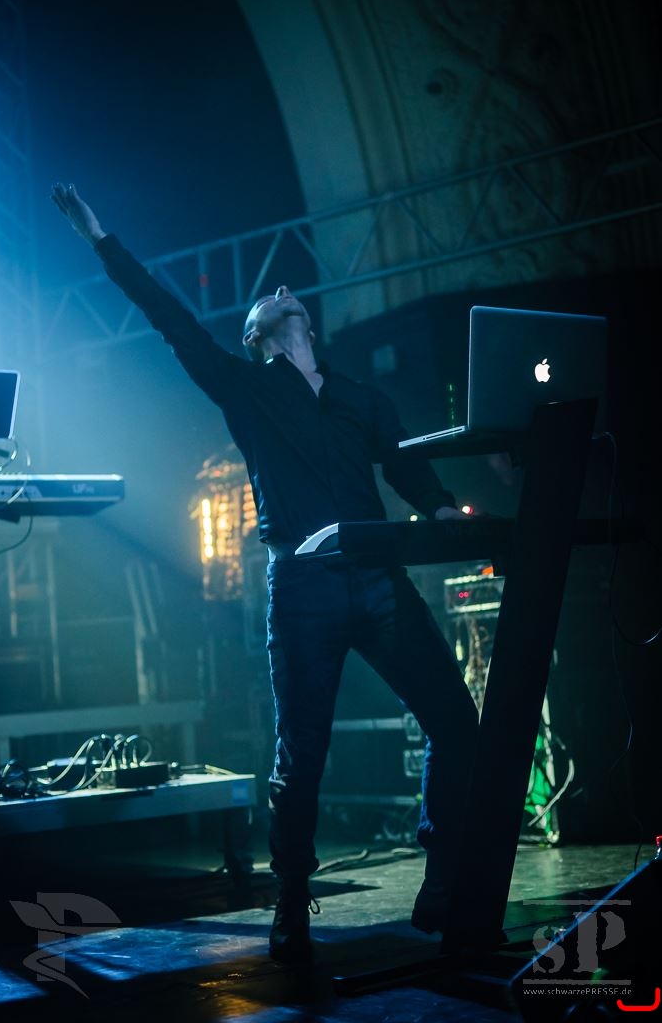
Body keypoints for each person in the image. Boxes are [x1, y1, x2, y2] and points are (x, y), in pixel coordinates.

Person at [51, 182, 480, 965]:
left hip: (378, 578)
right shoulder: (246, 390)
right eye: (268, 298)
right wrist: (98, 236)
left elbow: (407, 471)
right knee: (301, 752)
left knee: (455, 721)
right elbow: (169, 316)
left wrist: (444, 506)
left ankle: (445, 873)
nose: (283, 288)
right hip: (304, 587)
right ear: (257, 337)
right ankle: (290, 898)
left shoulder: (360, 399)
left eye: (290, 293)